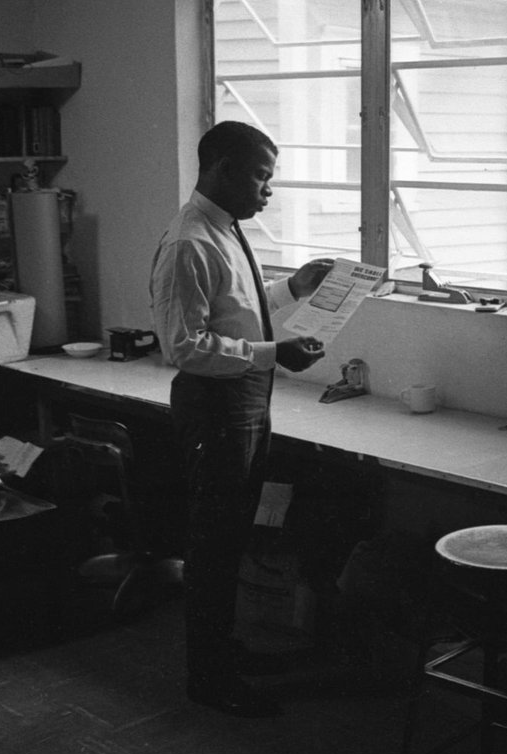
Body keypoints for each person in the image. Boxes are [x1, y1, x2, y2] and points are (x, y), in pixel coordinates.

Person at [149, 121, 333, 717]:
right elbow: (184, 346)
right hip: (217, 412)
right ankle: (208, 677)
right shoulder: (189, 242)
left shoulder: (224, 229)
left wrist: (293, 290)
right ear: (222, 168)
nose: (267, 191)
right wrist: (273, 355)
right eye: (260, 176)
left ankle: (223, 652)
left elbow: (236, 309)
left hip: (247, 405)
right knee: (213, 549)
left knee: (230, 541)